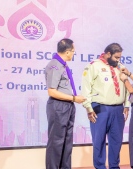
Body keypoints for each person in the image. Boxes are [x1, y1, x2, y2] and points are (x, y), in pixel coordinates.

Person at [81, 43, 130, 169]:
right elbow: (86, 89)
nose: (119, 60)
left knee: (116, 141)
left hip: (118, 109)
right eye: (116, 57)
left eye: (120, 58)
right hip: (100, 108)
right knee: (99, 141)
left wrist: (127, 104)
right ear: (108, 54)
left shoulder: (120, 67)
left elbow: (126, 86)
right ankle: (100, 167)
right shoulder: (93, 66)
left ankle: (114, 166)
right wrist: (89, 108)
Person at [44, 38, 86, 169]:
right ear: (68, 52)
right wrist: (73, 98)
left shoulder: (63, 66)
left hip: (67, 105)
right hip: (58, 106)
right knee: (56, 142)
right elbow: (52, 91)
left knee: (67, 143)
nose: (73, 54)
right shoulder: (54, 65)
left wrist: (73, 99)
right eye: (73, 51)